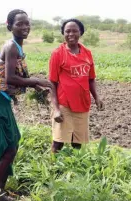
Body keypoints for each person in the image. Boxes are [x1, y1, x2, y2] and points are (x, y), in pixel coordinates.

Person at [0, 9, 60, 201]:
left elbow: (17, 79)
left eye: (26, 23)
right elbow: (10, 77)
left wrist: (35, 85)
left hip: (0, 100)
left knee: (12, 142)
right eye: (19, 24)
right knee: (8, 147)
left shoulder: (18, 49)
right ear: (10, 26)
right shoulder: (11, 46)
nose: (24, 27)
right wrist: (39, 81)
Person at [49, 18, 104, 153]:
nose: (71, 34)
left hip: (82, 103)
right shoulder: (58, 54)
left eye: (75, 31)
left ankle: (76, 170)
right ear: (63, 33)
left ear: (81, 33)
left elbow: (91, 79)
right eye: (67, 31)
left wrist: (96, 97)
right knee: (58, 142)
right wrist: (56, 108)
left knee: (78, 143)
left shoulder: (87, 53)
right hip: (64, 103)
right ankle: (51, 169)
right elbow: (52, 83)